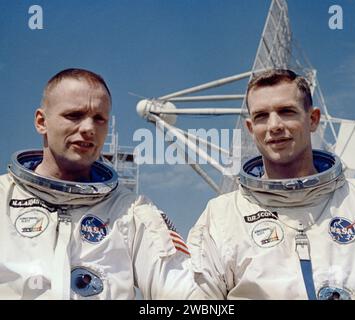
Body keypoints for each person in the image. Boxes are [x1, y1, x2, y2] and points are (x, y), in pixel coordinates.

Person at [0, 68, 203, 300]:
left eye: (99, 119)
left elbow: (184, 295)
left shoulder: (133, 212)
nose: (88, 128)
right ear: (41, 122)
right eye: (74, 115)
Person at [188, 69, 355, 300]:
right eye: (261, 116)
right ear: (250, 128)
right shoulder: (220, 217)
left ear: (313, 119)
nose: (274, 125)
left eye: (286, 112)